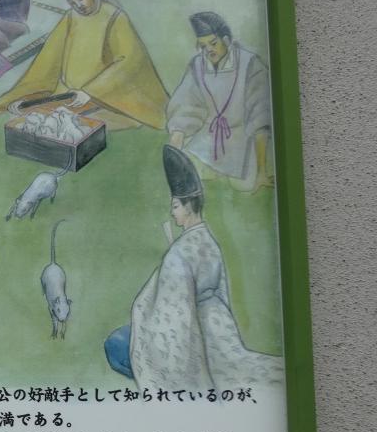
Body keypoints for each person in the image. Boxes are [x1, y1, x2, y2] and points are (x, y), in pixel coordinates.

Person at [103, 146, 283, 390]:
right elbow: (219, 293)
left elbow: (171, 318)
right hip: (220, 330)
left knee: (116, 344)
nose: (172, 213)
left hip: (194, 333)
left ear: (187, 206)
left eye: (175, 206)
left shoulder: (179, 253)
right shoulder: (209, 241)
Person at [0, 0, 168, 131]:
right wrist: (25, 96)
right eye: (72, 3)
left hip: (105, 96)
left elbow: (129, 61)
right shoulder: (71, 17)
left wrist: (91, 91)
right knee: (35, 116)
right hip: (67, 94)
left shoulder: (115, 17)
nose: (78, 6)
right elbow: (49, 59)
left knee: (75, 123)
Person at [166, 12, 274, 193]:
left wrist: (262, 170)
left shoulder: (250, 64)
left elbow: (260, 116)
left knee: (244, 186)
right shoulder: (197, 65)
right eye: (203, 46)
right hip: (208, 138)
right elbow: (185, 107)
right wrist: (174, 150)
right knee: (190, 173)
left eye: (213, 43)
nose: (209, 50)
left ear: (226, 40)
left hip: (242, 138)